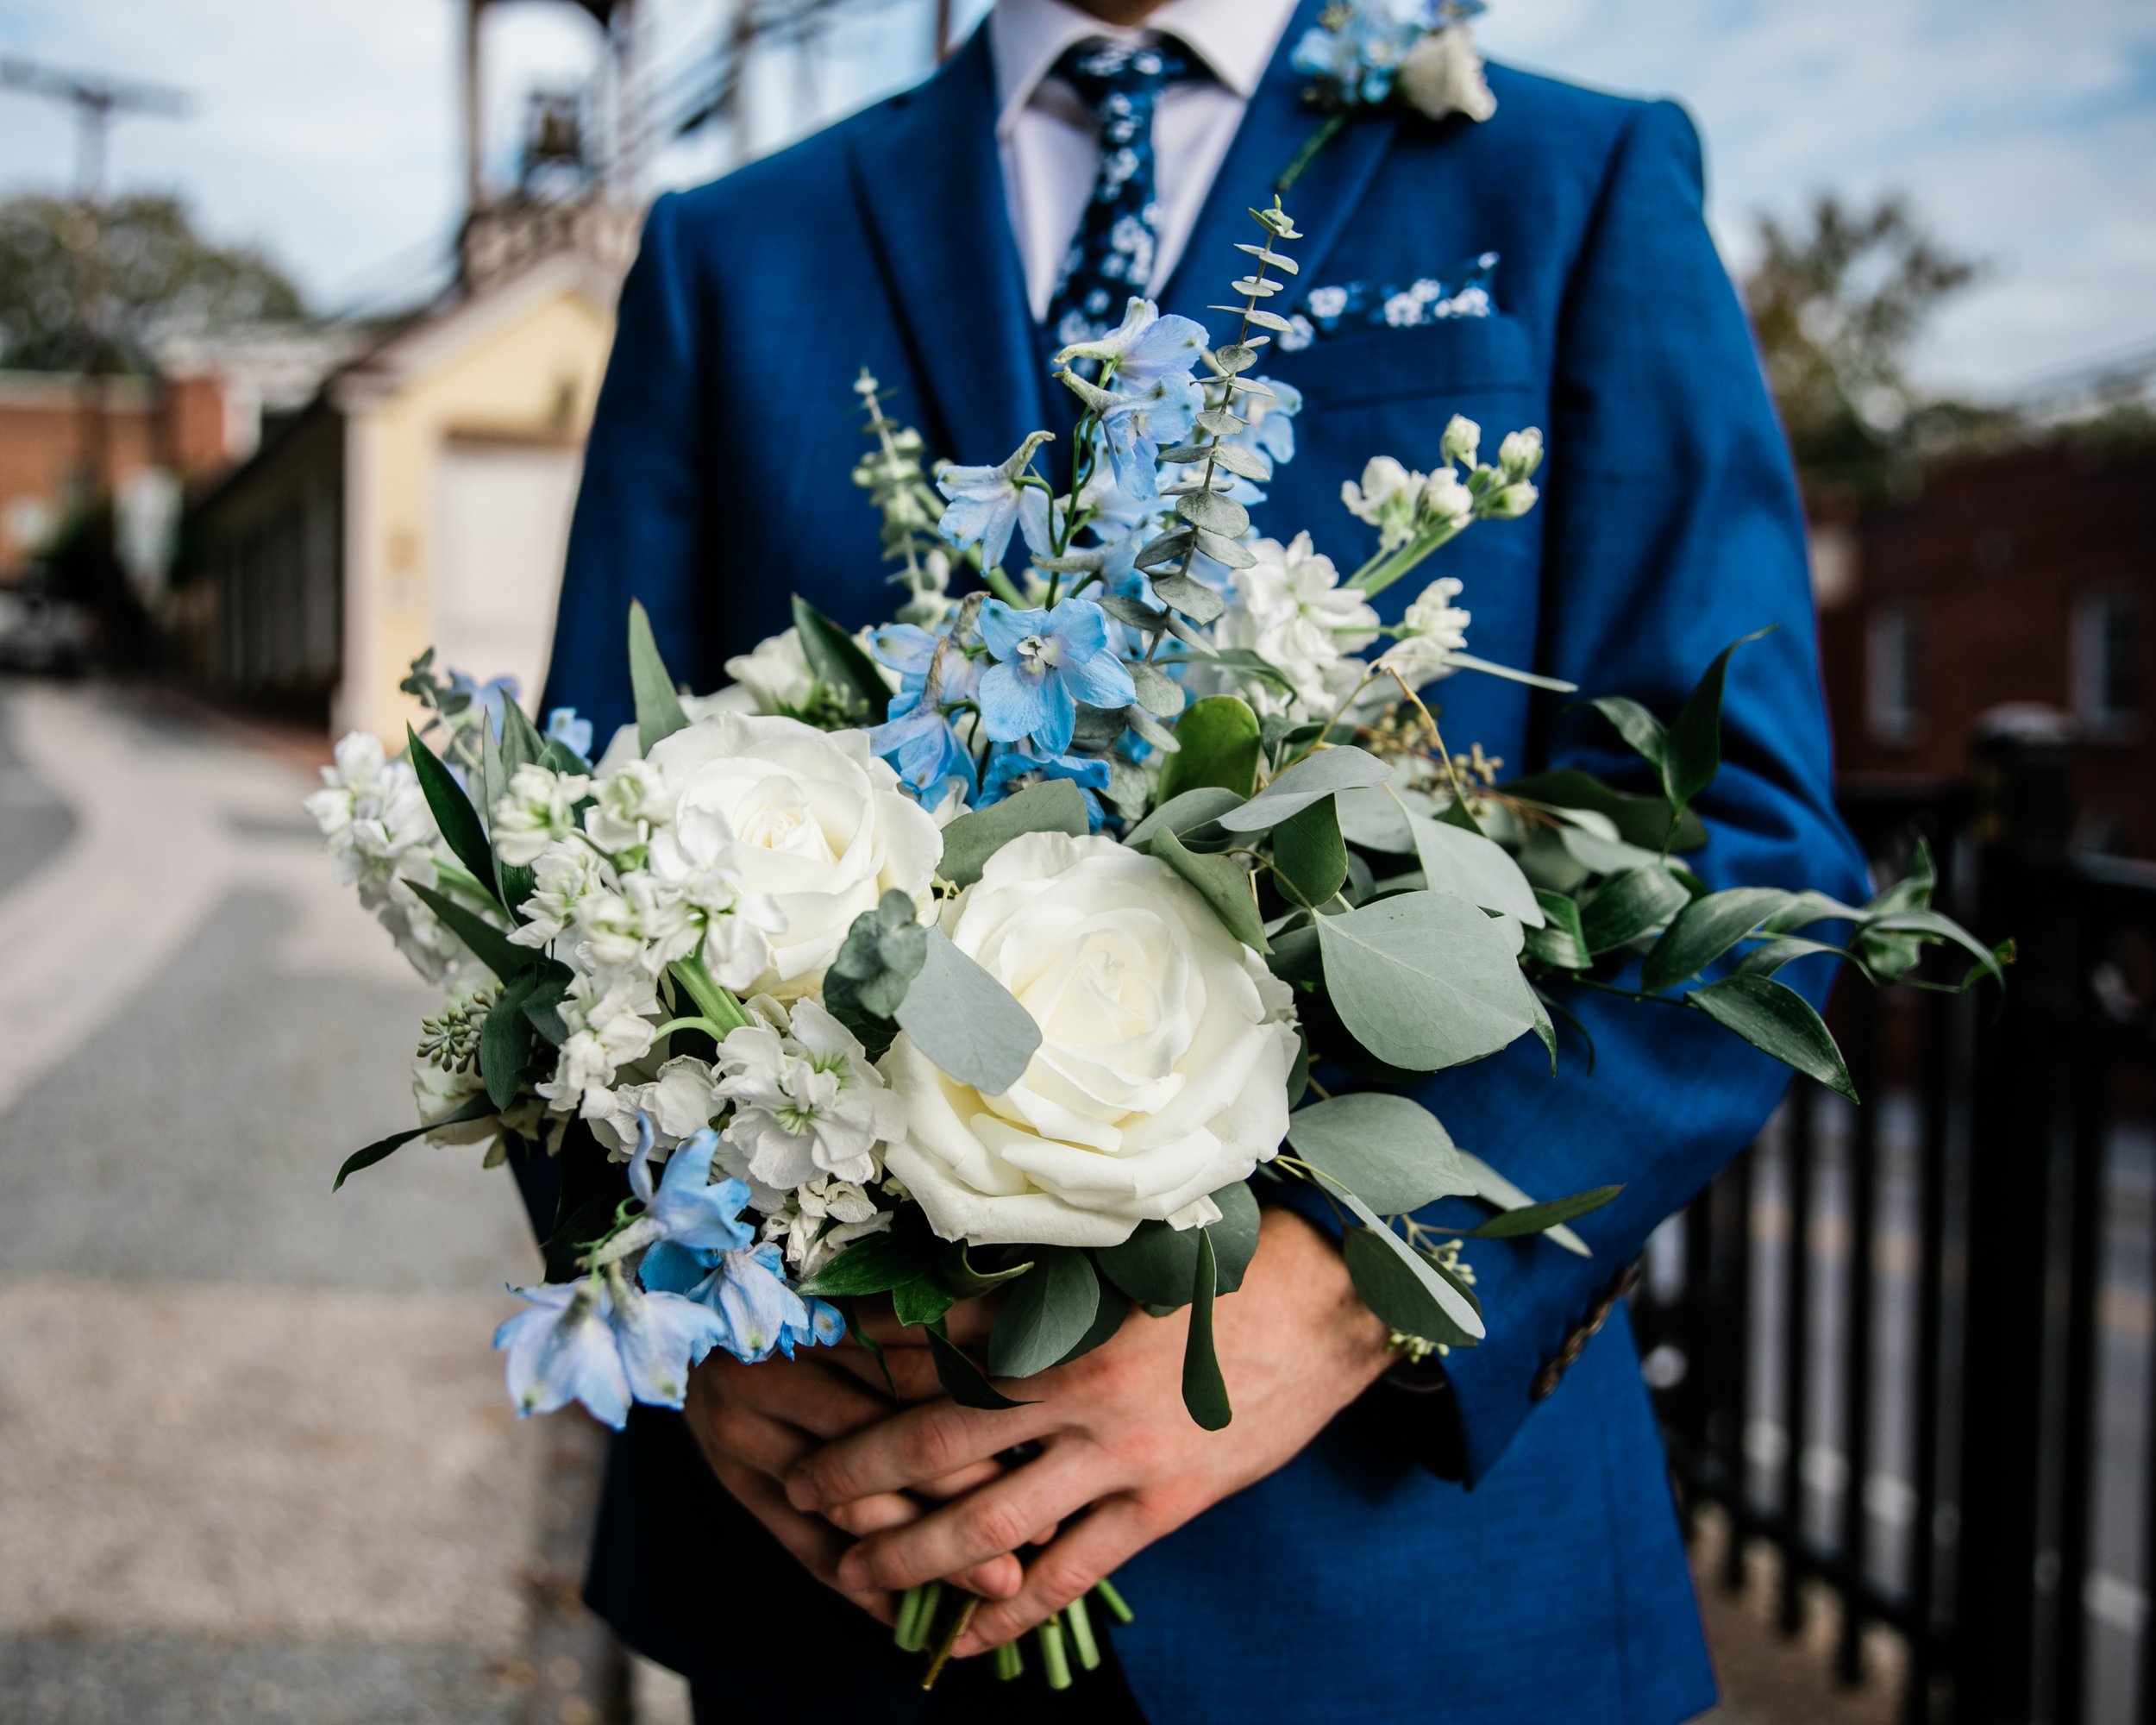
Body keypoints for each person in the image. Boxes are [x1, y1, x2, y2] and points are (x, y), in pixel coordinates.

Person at [536, 1, 1865, 1720]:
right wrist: (672, 1305)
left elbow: (1744, 851)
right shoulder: (731, 253)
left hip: (1408, 1596)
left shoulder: (1574, 177)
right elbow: (576, 849)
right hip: (847, 1562)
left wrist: (1350, 1295)